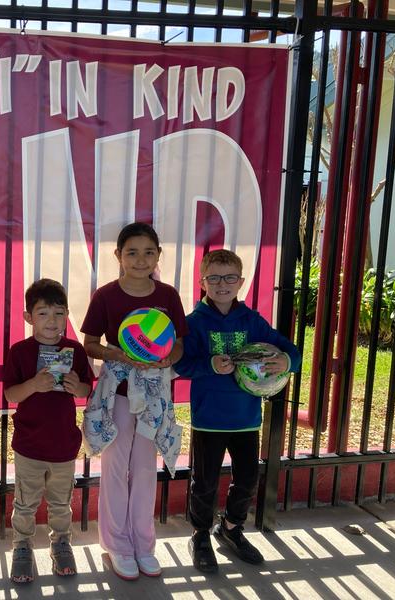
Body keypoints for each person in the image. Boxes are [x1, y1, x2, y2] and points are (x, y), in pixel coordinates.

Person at [174, 249, 301, 573]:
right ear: (203, 281)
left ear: (241, 282)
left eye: (230, 277)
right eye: (214, 278)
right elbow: (181, 364)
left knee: (246, 477)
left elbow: (291, 350)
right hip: (209, 418)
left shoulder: (251, 320)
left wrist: (287, 362)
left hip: (246, 417)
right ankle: (200, 535)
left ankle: (230, 528)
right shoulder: (193, 323)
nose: (222, 284)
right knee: (204, 481)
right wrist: (208, 365)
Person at [80, 222, 187, 580]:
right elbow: (90, 343)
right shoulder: (107, 295)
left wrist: (168, 357)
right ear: (118, 256)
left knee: (144, 470)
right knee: (114, 468)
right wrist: (123, 356)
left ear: (158, 255)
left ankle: (144, 545)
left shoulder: (169, 295)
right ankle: (116, 546)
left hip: (153, 397)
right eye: (132, 252)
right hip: (119, 396)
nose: (140, 259)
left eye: (148, 252)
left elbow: (179, 343)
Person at [3, 278, 93, 584]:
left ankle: (61, 543)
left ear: (67, 315)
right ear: (29, 317)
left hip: (63, 446)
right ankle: (22, 547)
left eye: (58, 313)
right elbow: (11, 395)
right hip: (28, 445)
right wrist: (34, 385)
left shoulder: (75, 350)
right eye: (42, 313)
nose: (52, 321)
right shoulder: (19, 352)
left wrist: (76, 386)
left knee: (60, 502)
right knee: (25, 502)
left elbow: (87, 389)